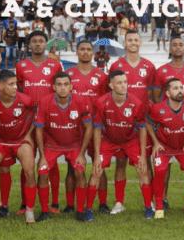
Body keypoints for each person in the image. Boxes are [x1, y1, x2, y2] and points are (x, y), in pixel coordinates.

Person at [89, 70, 154, 219]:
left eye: (125, 82)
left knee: (142, 170)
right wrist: (97, 156)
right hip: (109, 140)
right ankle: (88, 210)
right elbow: (97, 129)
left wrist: (142, 155)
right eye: (119, 83)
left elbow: (142, 128)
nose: (124, 85)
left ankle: (148, 207)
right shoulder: (101, 102)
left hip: (130, 140)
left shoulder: (136, 103)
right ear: (111, 85)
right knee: (96, 171)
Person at [0, 70, 38, 224]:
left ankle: (30, 211)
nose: (15, 87)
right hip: (0, 142)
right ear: (1, 85)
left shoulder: (26, 100)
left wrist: (28, 134)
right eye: (11, 84)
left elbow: (36, 114)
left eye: (16, 84)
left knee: (30, 172)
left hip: (21, 141)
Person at [16, 31, 65, 213]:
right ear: (29, 45)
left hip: (50, 121)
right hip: (28, 122)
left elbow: (60, 90)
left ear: (46, 44)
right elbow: (19, 90)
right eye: (34, 41)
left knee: (51, 161)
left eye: (41, 41)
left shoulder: (55, 65)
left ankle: (54, 203)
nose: (37, 44)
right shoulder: (21, 65)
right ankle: (24, 203)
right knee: (27, 162)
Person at [107, 31, 156, 213]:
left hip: (142, 124)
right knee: (120, 163)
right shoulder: (116, 65)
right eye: (130, 40)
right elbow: (111, 92)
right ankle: (119, 203)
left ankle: (149, 202)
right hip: (121, 123)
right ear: (124, 43)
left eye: (136, 40)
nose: (133, 42)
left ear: (140, 43)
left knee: (145, 163)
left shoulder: (149, 66)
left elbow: (151, 93)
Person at [35, 72, 93, 221]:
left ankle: (80, 211)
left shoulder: (80, 101)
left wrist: (82, 154)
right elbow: (38, 129)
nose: (62, 88)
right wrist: (42, 156)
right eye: (59, 84)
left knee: (79, 173)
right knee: (42, 173)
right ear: (54, 87)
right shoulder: (45, 101)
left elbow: (89, 128)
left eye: (66, 84)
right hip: (52, 145)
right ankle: (45, 211)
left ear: (71, 86)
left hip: (74, 145)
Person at [146, 78, 184, 219]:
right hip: (163, 148)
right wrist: (155, 142)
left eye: (181, 88)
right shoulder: (157, 108)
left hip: (183, 147)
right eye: (175, 88)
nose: (180, 91)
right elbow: (148, 123)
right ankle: (159, 208)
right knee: (159, 172)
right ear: (167, 93)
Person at [67, 40, 110, 213]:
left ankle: (103, 203)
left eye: (88, 49)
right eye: (82, 49)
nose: (85, 52)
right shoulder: (68, 74)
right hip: (73, 127)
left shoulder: (102, 76)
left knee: (98, 165)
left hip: (96, 127)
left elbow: (106, 101)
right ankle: (70, 204)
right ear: (77, 52)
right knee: (72, 167)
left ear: (93, 53)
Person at [154, 37, 184, 105]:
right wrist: (165, 110)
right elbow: (156, 97)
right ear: (170, 50)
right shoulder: (160, 71)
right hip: (168, 111)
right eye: (174, 45)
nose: (178, 47)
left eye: (180, 45)